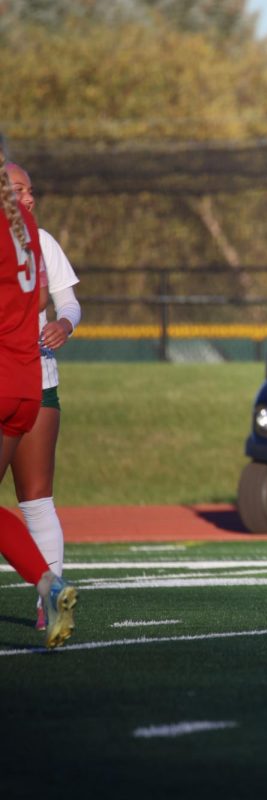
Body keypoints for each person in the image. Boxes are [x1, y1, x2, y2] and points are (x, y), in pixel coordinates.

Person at [0, 150, 77, 649]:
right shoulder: (28, 239)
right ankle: (48, 586)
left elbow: (63, 301)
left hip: (13, 374)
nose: (29, 197)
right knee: (37, 500)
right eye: (20, 189)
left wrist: (65, 321)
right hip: (25, 382)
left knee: (37, 498)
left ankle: (48, 585)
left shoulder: (23, 237)